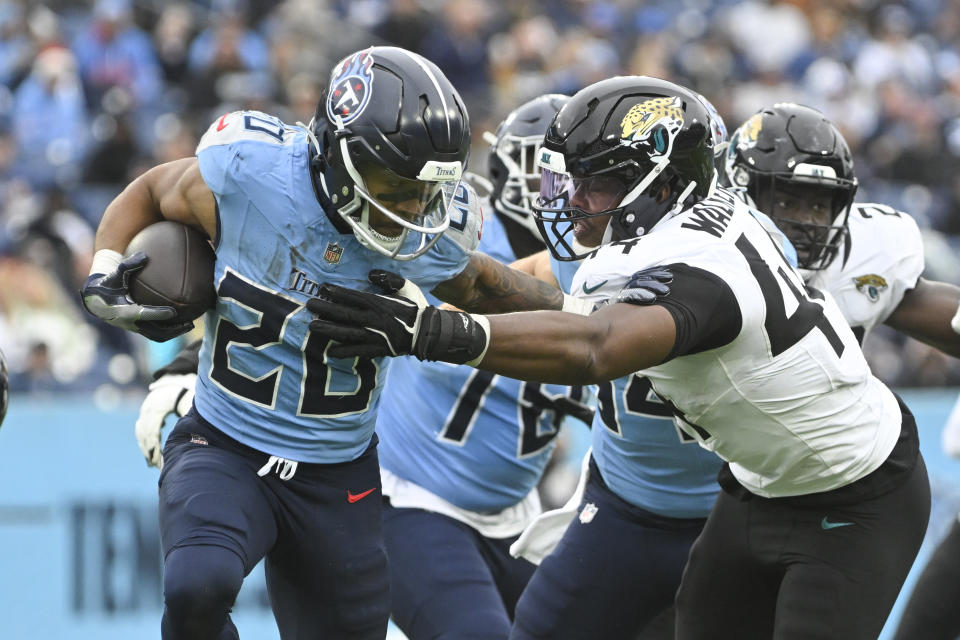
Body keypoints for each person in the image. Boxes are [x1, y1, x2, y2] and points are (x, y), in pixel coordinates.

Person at [306, 76, 932, 640]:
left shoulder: (703, 271)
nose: (575, 196)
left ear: (659, 183)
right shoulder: (670, 226)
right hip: (754, 487)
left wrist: (430, 334)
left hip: (855, 493)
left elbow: (594, 348)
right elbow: (546, 301)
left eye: (596, 181)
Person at [79, 46, 578, 640]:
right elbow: (155, 188)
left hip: (337, 469)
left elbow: (484, 286)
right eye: (396, 184)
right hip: (225, 441)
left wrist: (581, 314)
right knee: (196, 584)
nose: (414, 209)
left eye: (426, 191)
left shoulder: (431, 236)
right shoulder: (251, 172)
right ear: (339, 155)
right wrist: (105, 267)